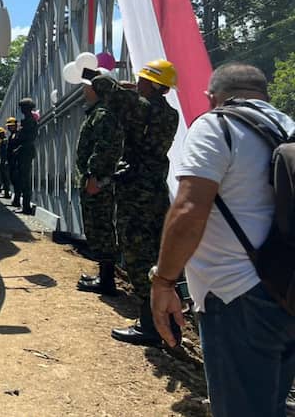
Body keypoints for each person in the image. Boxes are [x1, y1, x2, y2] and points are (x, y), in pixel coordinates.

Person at [151, 63, 295, 416]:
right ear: (265, 93)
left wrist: (164, 282)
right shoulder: (289, 127)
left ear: (212, 96)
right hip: (289, 288)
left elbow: (188, 211)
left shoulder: (217, 125)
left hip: (236, 294)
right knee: (270, 403)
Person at [110, 59, 180, 345]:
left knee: (136, 252)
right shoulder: (170, 114)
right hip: (155, 189)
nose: (136, 83)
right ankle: (165, 323)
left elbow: (105, 90)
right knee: (152, 250)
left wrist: (115, 85)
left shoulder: (139, 106)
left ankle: (150, 326)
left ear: (151, 84)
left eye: (141, 80)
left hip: (136, 190)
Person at [74, 72, 122, 296]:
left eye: (87, 87)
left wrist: (94, 176)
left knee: (101, 227)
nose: (84, 90)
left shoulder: (103, 114)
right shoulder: (97, 113)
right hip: (94, 179)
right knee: (95, 227)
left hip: (97, 181)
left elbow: (104, 148)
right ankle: (103, 276)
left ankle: (107, 281)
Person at [12, 98, 38, 215]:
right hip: (23, 152)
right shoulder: (27, 120)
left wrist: (19, 148)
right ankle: (25, 205)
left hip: (26, 153)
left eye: (22, 107)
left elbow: (29, 139)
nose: (21, 110)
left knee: (25, 180)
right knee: (22, 179)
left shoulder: (30, 121)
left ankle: (26, 206)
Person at [5, 117, 20, 204]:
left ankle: (17, 200)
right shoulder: (11, 136)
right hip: (12, 162)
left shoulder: (17, 135)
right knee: (13, 181)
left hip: (16, 162)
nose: (10, 127)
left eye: (11, 126)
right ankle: (16, 199)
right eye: (9, 126)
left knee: (17, 181)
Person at [0, 128, 10, 198]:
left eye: (0, 133)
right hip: (2, 162)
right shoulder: (2, 141)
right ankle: (6, 193)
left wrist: (6, 160)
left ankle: (7, 193)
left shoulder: (5, 141)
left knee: (6, 178)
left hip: (5, 162)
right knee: (3, 178)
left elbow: (6, 152)